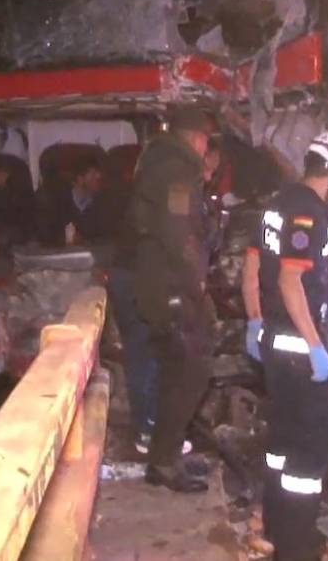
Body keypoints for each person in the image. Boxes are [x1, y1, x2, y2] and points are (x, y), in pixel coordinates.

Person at [243, 128, 328, 561]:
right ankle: (296, 546)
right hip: (301, 348)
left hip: (275, 345)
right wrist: (317, 348)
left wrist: (255, 322)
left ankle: (276, 528)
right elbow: (290, 280)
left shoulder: (276, 204)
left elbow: (252, 265)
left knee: (282, 442)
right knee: (309, 457)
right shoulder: (308, 213)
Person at [131, 109, 215, 493]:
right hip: (170, 285)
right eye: (206, 141)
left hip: (158, 281)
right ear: (196, 139)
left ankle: (165, 457)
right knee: (190, 369)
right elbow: (178, 234)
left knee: (178, 370)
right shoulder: (178, 171)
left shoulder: (159, 162)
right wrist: (197, 283)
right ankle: (164, 461)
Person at [37, 156, 103, 246]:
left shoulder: (100, 202)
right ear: (80, 179)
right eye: (93, 173)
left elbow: (104, 235)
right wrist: (66, 238)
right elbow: (44, 233)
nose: (99, 176)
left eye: (99, 173)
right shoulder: (58, 200)